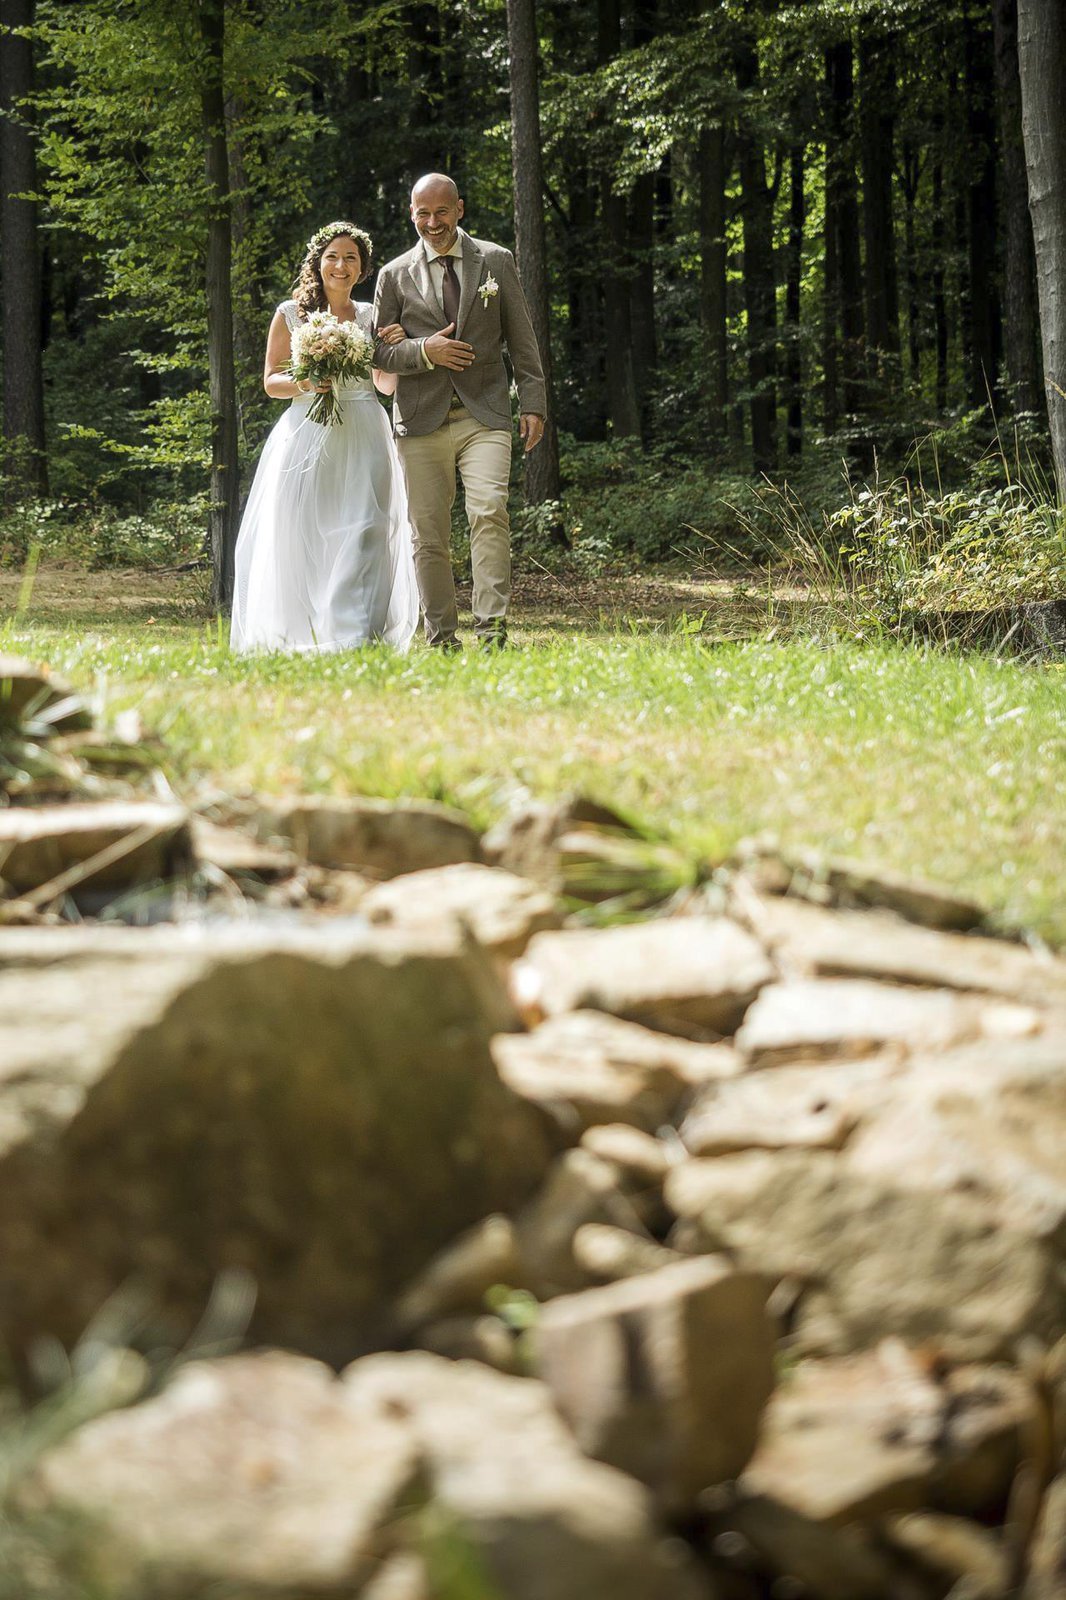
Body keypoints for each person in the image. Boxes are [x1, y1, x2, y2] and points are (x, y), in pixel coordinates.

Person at [372, 173, 547, 651]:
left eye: (441, 212)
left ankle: (492, 631)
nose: (432, 222)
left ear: (460, 209)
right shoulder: (393, 275)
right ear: (411, 214)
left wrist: (533, 402)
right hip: (419, 420)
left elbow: (522, 338)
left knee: (489, 510)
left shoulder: (495, 261)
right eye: (422, 213)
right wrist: (425, 351)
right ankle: (442, 637)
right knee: (428, 534)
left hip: (484, 412)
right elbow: (380, 356)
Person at [230, 222, 420, 654]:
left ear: (362, 269)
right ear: (318, 262)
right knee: (304, 533)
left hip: (365, 429)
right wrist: (307, 382)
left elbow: (386, 386)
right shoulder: (290, 313)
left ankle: (353, 634)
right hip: (307, 432)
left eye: (350, 258)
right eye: (333, 256)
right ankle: (301, 631)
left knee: (368, 527)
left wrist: (397, 345)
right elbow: (271, 381)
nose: (340, 265)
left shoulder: (373, 315)